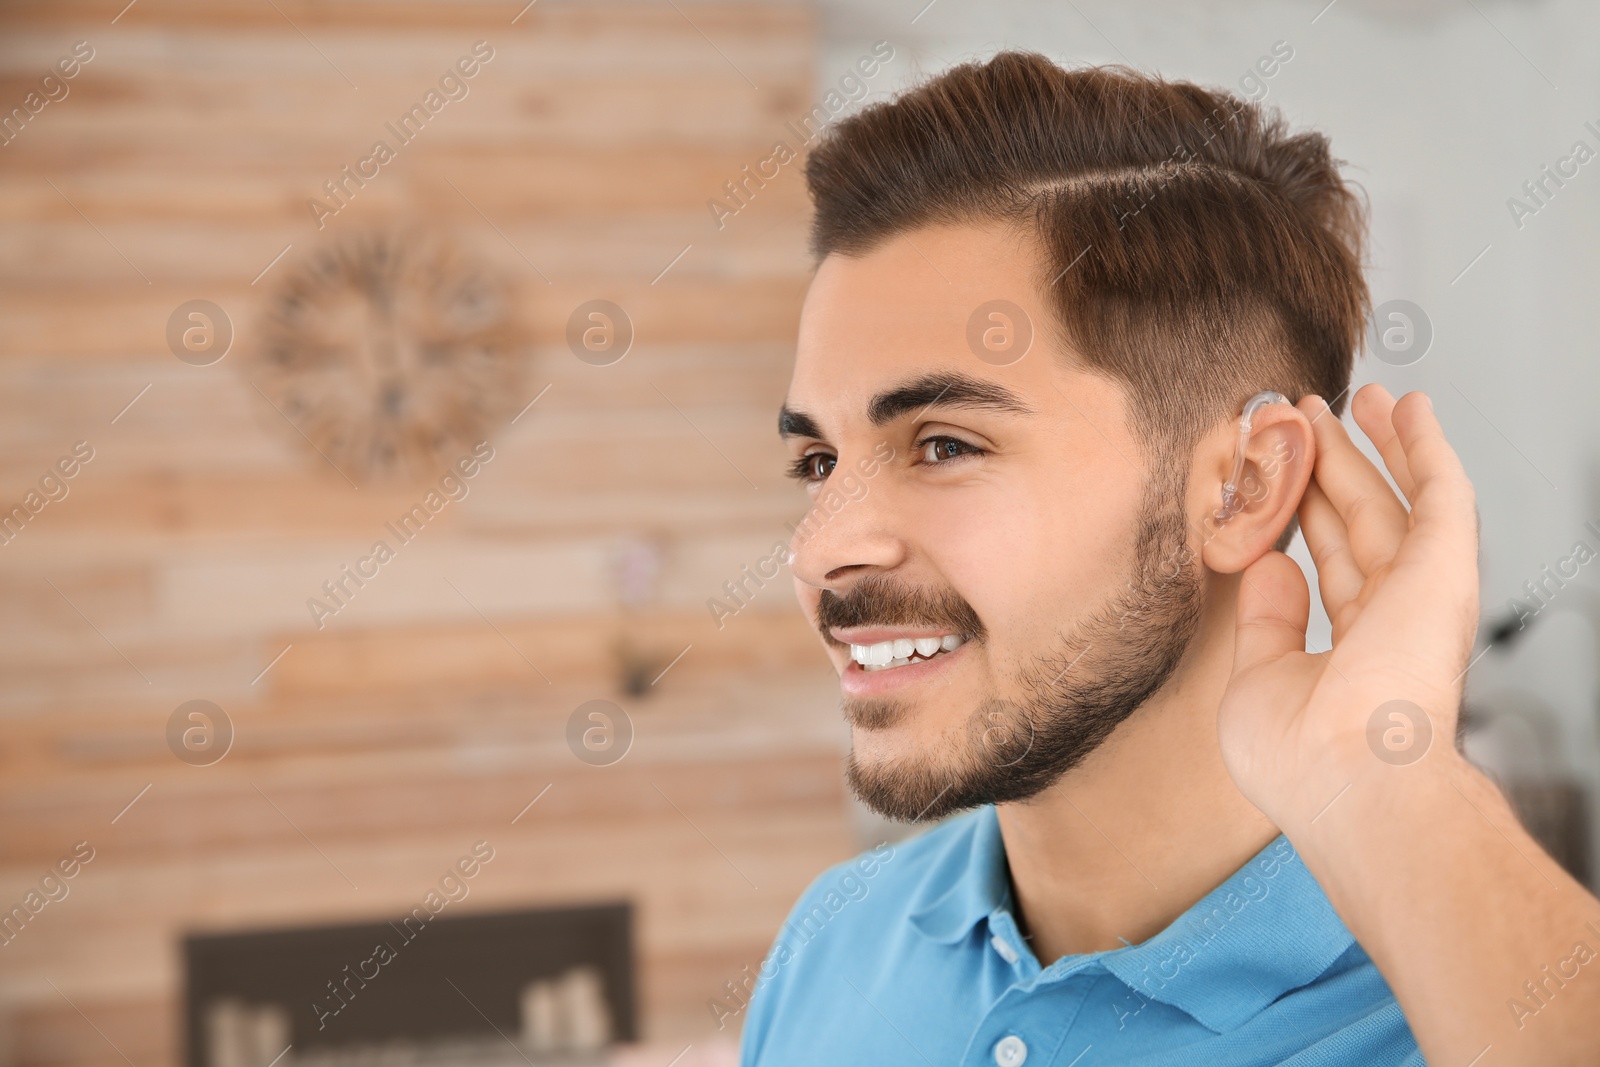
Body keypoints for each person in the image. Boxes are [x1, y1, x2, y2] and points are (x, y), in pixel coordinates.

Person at [740, 51, 1600, 1065]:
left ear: (1239, 488)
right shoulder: (832, 938)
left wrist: (1387, 774)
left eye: (942, 444)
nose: (822, 548)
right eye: (818, 459)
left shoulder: (1445, 1027)